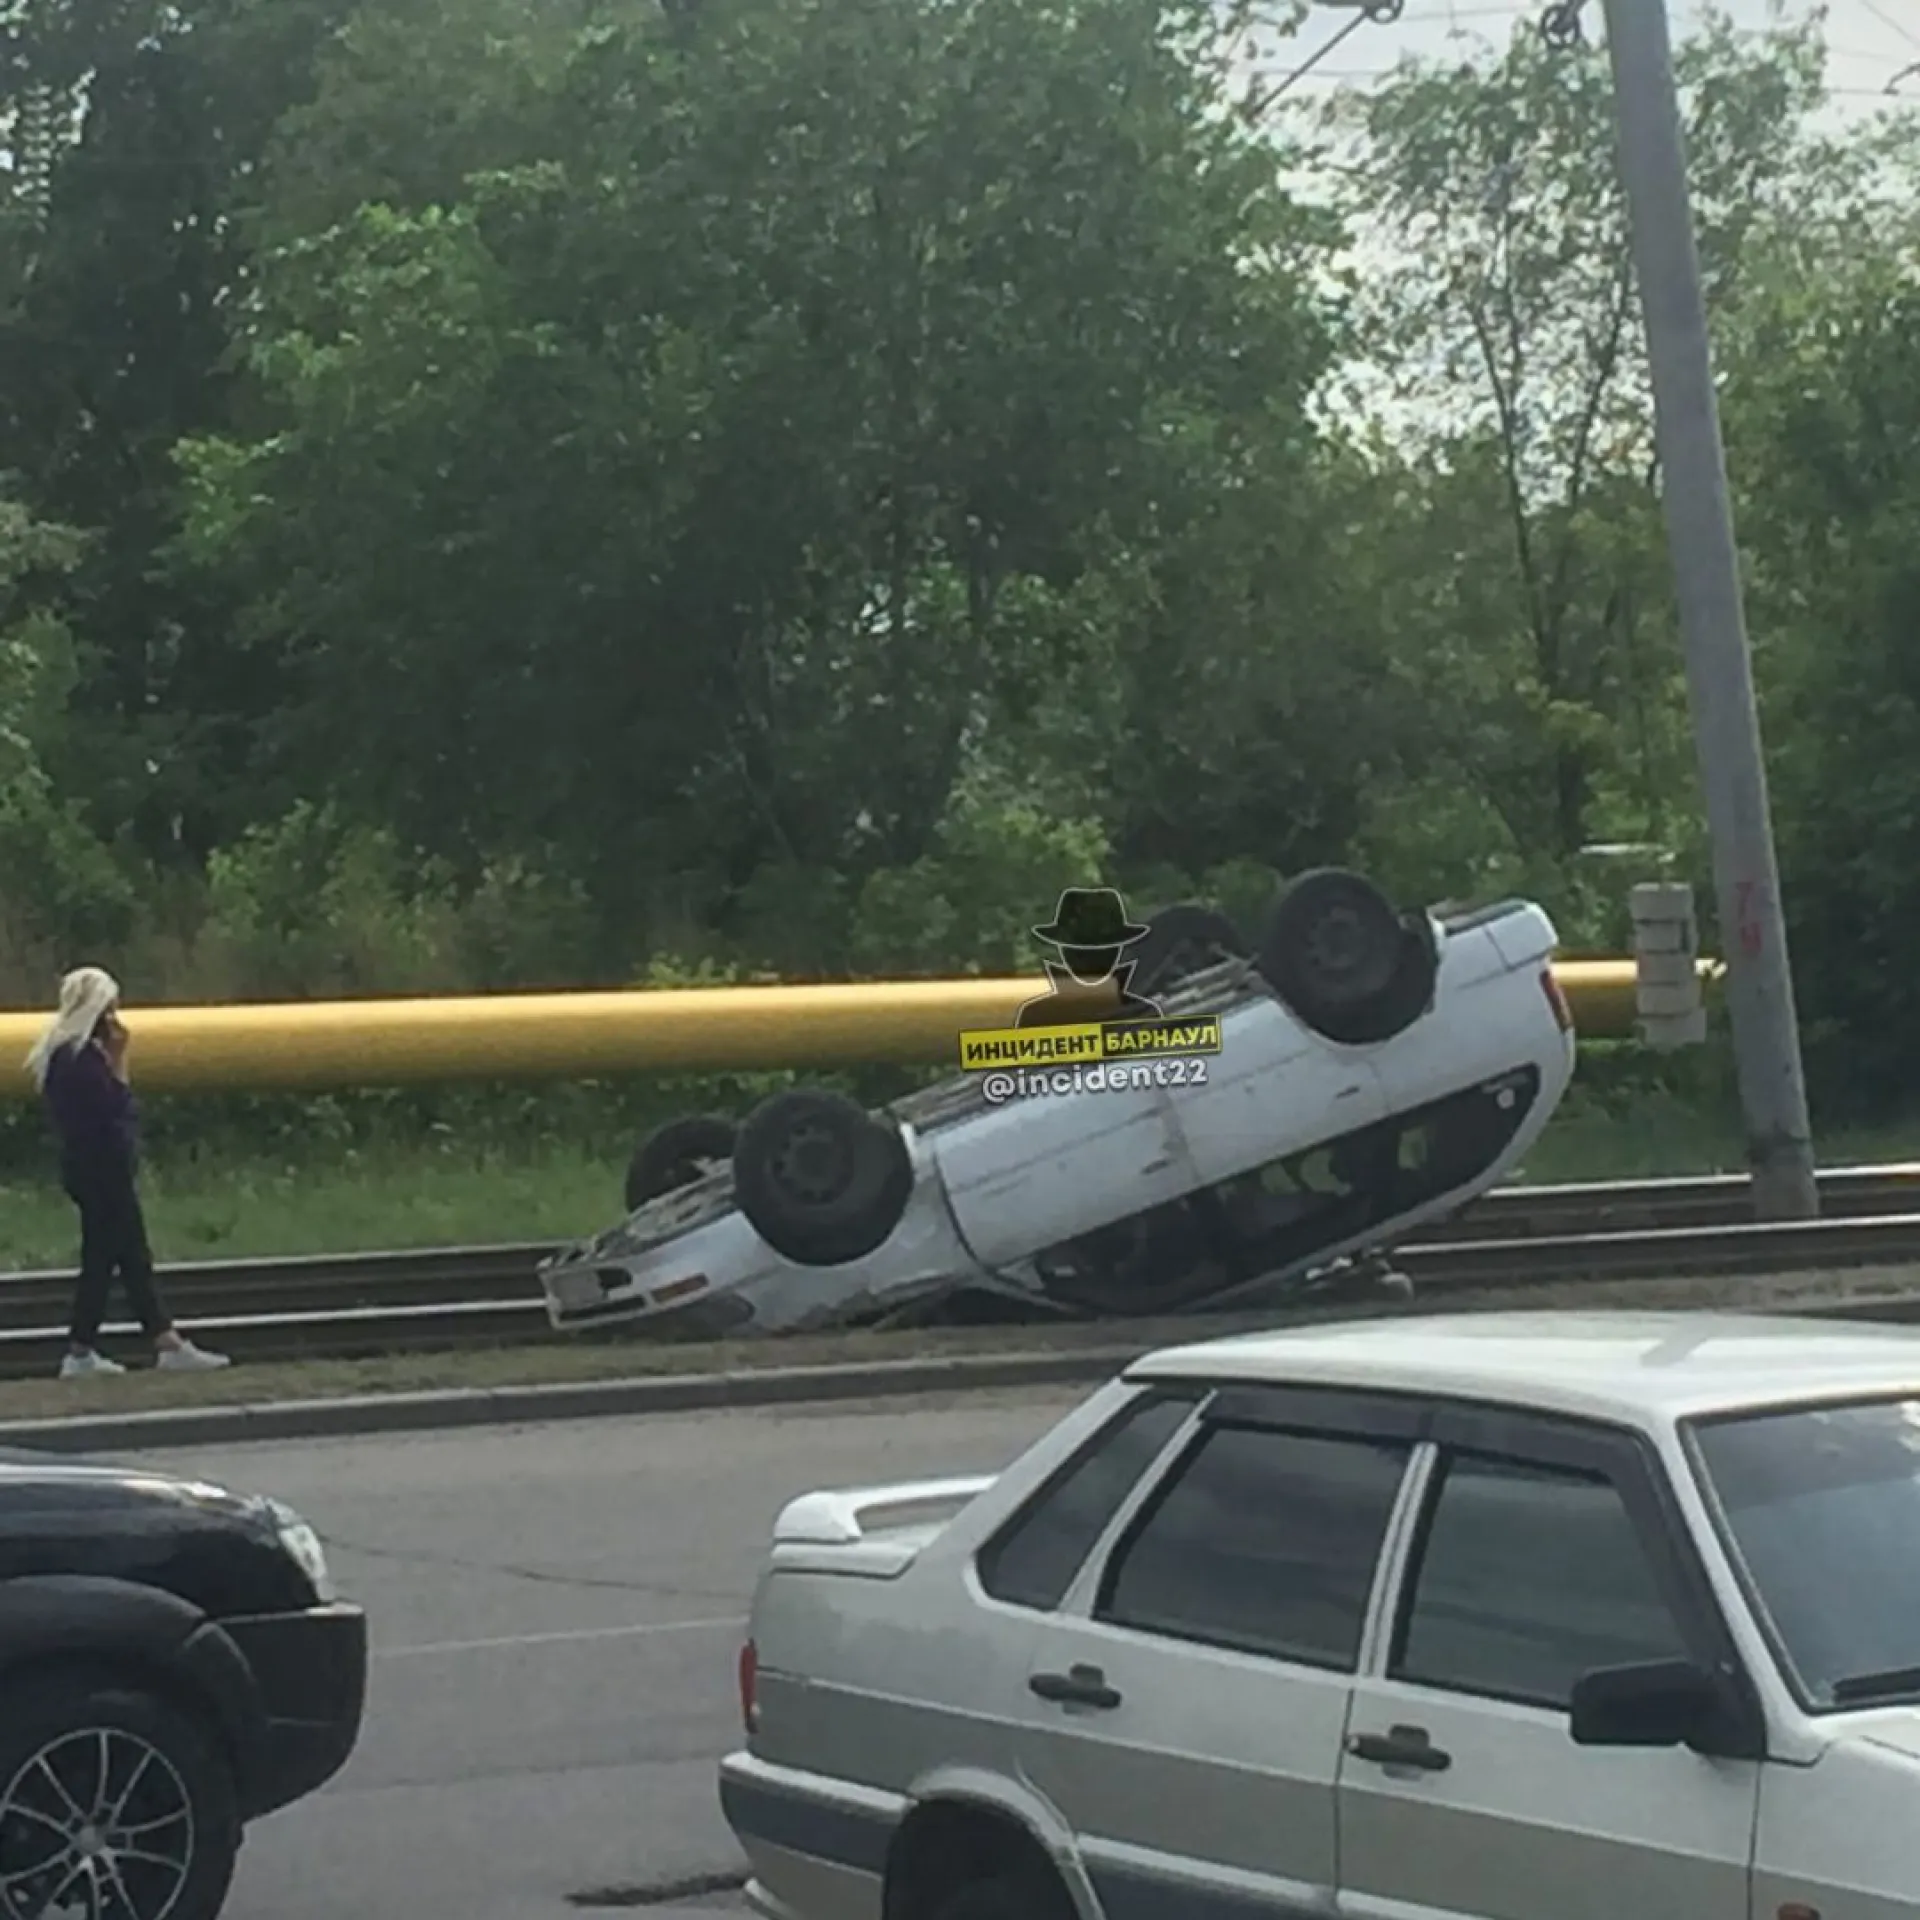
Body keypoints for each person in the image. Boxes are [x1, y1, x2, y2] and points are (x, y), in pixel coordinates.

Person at [24, 967, 229, 1380]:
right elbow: (115, 1108)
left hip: (92, 1167)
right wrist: (120, 1061)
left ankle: (151, 1341)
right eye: (111, 1007)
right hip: (101, 1168)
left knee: (122, 1256)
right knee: (115, 1256)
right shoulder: (80, 1058)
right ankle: (98, 1349)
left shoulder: (64, 1054)